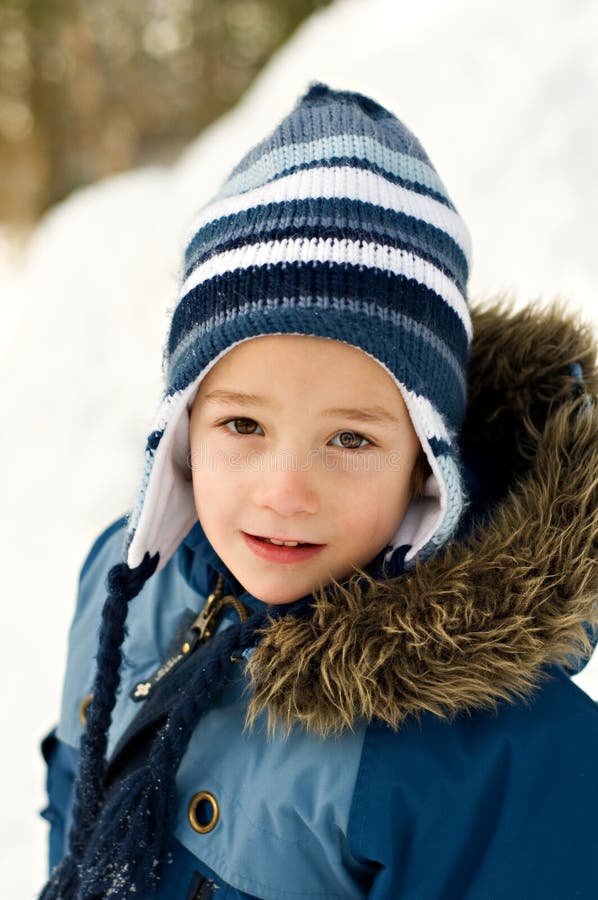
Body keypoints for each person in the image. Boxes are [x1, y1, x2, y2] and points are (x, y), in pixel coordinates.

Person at [39, 83, 598, 900]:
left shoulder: (496, 754)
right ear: (184, 426)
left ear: (426, 465)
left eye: (350, 439)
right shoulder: (125, 587)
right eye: (243, 425)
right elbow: (73, 816)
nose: (285, 493)